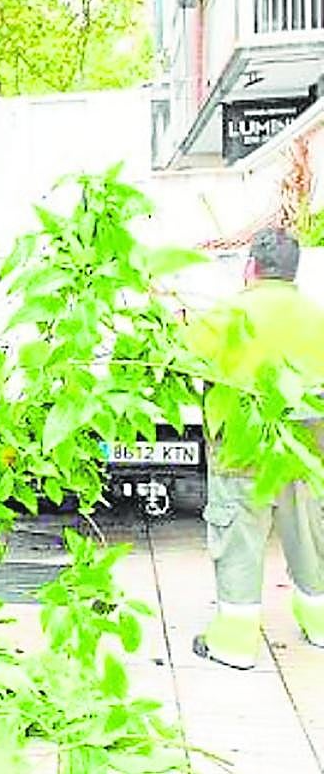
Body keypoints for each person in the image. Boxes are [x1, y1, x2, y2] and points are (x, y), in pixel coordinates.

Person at [184, 227, 324, 669]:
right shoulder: (315, 317)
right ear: (292, 271)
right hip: (303, 454)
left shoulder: (226, 316)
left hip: (241, 453)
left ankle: (234, 643)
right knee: (309, 540)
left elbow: (181, 363)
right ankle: (319, 627)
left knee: (239, 539)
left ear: (251, 267)